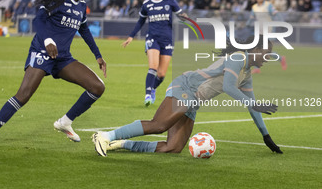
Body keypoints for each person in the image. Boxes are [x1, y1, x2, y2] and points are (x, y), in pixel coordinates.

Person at [93, 36, 282, 157]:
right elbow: (229, 87)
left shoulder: (246, 74)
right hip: (185, 87)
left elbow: (251, 105)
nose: (268, 58)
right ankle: (104, 135)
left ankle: (120, 144)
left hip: (193, 101)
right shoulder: (238, 58)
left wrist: (266, 136)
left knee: (172, 148)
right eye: (267, 54)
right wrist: (255, 104)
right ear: (256, 50)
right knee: (159, 125)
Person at [0, 0, 107, 149]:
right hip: (42, 52)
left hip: (62, 58)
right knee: (24, 95)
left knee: (97, 87)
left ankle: (65, 122)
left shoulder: (81, 7)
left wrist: (98, 55)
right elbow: (38, 21)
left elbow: (85, 30)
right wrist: (48, 40)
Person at [122, 0, 187, 106]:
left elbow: (181, 15)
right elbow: (141, 21)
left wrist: (186, 19)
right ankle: (147, 95)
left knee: (162, 74)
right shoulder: (147, 4)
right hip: (152, 38)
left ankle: (153, 89)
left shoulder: (170, 1)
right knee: (153, 66)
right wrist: (131, 36)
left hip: (167, 40)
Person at [249, 0, 287, 74]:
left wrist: (281, 22)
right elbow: (251, 17)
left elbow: (277, 14)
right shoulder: (254, 7)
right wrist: (247, 23)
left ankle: (281, 59)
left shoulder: (268, 5)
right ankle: (257, 68)